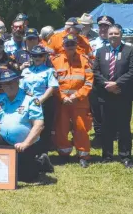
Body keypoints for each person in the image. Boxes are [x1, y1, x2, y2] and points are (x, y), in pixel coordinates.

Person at [0, 69, 52, 182]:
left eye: (11, 82)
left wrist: (25, 143)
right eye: (5, 84)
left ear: (17, 82)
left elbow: (39, 125)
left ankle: (41, 162)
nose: (8, 86)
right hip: (5, 139)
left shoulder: (31, 99)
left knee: (26, 177)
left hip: (27, 143)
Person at [93, 25, 133, 168]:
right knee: (106, 126)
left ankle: (125, 156)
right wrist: (108, 86)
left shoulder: (130, 51)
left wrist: (117, 84)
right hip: (105, 94)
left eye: (116, 33)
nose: (113, 35)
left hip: (123, 94)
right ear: (107, 35)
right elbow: (95, 71)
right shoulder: (100, 52)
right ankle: (107, 155)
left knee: (123, 126)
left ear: (121, 35)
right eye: (110, 33)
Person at [52, 34, 94, 168]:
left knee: (81, 129)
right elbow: (52, 82)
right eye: (67, 44)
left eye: (72, 44)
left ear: (76, 45)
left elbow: (89, 81)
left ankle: (83, 155)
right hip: (62, 102)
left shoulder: (84, 60)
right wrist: (63, 97)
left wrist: (76, 96)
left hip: (79, 102)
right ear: (63, 46)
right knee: (61, 128)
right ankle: (64, 154)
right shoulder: (55, 61)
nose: (70, 46)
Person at [19, 45, 58, 156]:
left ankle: (43, 155)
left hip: (44, 103)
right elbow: (21, 87)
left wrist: (41, 100)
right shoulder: (26, 71)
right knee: (29, 128)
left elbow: (52, 87)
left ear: (44, 57)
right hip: (28, 103)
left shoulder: (50, 71)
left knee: (44, 129)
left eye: (40, 55)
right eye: (35, 55)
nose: (37, 57)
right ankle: (29, 151)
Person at [88, 15, 115, 144]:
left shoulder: (117, 43)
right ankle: (98, 133)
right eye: (101, 26)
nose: (103, 29)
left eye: (106, 26)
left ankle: (112, 131)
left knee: (112, 107)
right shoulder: (91, 44)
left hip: (112, 81)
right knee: (96, 108)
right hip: (95, 82)